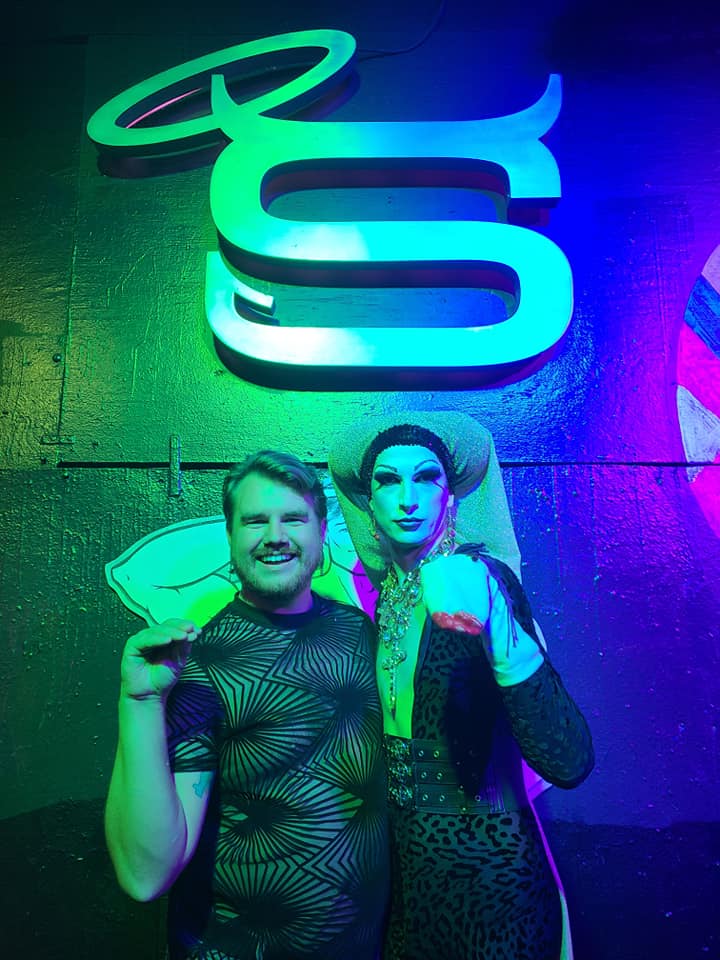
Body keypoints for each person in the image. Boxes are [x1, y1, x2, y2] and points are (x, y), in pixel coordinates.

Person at [329, 412, 594, 960]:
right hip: (410, 891)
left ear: (450, 499)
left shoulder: (481, 580)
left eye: (427, 478)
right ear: (369, 505)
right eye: (388, 481)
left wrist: (496, 618)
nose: (408, 498)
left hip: (493, 883)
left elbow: (569, 761)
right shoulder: (386, 600)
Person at [105, 450, 390, 960]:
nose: (275, 535)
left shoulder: (361, 634)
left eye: (293, 519)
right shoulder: (197, 665)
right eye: (255, 521)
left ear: (322, 532)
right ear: (231, 537)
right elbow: (145, 876)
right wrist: (140, 701)